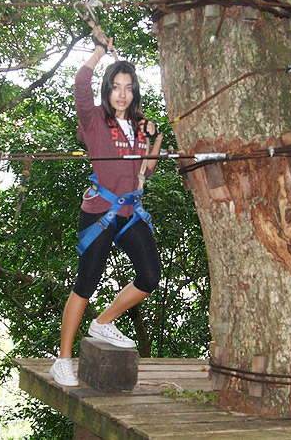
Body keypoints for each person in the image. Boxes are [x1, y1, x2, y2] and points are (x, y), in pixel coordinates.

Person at [50, 36, 164, 387]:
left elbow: (149, 170)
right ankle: (62, 359)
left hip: (129, 213)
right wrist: (99, 50)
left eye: (128, 88)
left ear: (135, 93)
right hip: (100, 212)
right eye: (116, 87)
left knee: (149, 275)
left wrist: (154, 137)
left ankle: (103, 323)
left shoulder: (138, 125)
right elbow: (80, 84)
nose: (122, 94)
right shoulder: (94, 120)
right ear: (107, 90)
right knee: (86, 283)